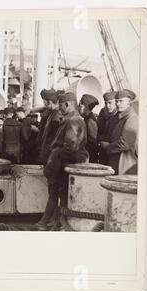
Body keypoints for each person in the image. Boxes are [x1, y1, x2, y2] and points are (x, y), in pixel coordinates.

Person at [36, 92, 89, 231]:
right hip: (62, 162)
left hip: (63, 163)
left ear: (67, 104)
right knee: (59, 194)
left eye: (61, 105)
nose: (59, 108)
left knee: (60, 194)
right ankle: (55, 223)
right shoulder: (73, 119)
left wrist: (58, 159)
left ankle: (58, 224)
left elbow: (70, 147)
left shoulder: (72, 120)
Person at [101, 89, 138, 175]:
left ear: (129, 102)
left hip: (125, 163)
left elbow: (125, 143)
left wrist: (108, 146)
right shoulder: (119, 117)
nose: (117, 104)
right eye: (117, 101)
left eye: (121, 101)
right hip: (116, 161)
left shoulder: (131, 118)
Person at [38, 89, 63, 164]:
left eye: (44, 101)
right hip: (48, 152)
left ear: (48, 102)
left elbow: (57, 138)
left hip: (51, 153)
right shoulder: (53, 113)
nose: (43, 104)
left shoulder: (56, 115)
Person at [97, 91, 118, 165]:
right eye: (106, 103)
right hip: (103, 151)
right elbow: (99, 130)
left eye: (110, 103)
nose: (107, 106)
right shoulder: (103, 112)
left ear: (116, 102)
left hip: (114, 152)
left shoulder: (119, 116)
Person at [78, 94, 100, 163]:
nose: (78, 107)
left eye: (80, 105)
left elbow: (93, 144)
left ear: (86, 107)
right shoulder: (86, 119)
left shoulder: (90, 121)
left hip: (90, 158)